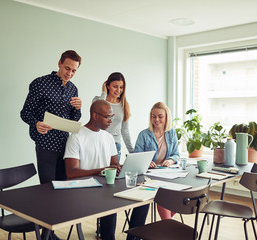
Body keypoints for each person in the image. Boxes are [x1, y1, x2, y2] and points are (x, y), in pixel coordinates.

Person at [64, 100, 148, 240]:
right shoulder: (77, 137)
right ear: (95, 116)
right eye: (107, 117)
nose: (111, 121)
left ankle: (133, 238)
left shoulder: (108, 137)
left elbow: (114, 164)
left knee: (143, 198)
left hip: (107, 186)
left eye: (112, 116)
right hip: (85, 190)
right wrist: (100, 170)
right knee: (109, 202)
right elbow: (71, 173)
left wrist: (120, 167)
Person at [20, 50, 82, 184]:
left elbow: (73, 119)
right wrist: (36, 123)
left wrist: (78, 108)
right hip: (45, 143)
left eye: (74, 71)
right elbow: (25, 112)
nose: (69, 73)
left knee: (64, 187)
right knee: (47, 189)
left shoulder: (73, 89)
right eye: (67, 68)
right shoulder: (40, 83)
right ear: (59, 63)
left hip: (66, 145)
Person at [134, 102, 180, 220]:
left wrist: (170, 160)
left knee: (182, 196)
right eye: (153, 116)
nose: (157, 119)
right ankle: (167, 225)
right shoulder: (143, 134)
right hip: (147, 176)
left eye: (160, 116)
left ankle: (166, 226)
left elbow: (176, 154)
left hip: (165, 174)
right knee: (162, 195)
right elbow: (136, 156)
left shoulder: (171, 133)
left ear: (166, 117)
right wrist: (145, 162)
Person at [92, 72, 134, 161]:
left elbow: (125, 130)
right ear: (107, 86)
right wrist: (103, 93)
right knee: (98, 173)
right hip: (98, 143)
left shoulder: (124, 105)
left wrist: (132, 152)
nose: (118, 90)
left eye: (121, 87)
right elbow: (95, 118)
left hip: (115, 146)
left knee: (113, 174)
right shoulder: (97, 100)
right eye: (115, 86)